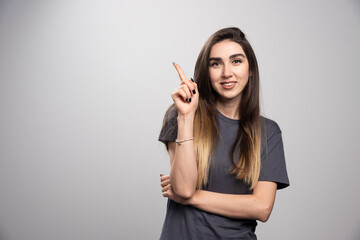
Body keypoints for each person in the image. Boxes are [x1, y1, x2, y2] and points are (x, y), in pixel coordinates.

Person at [158, 27, 289, 240]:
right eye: (216, 63)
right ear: (206, 70)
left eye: (236, 61)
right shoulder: (181, 114)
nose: (227, 72)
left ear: (251, 69)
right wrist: (186, 117)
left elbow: (262, 208)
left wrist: (192, 198)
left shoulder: (268, 132)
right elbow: (182, 189)